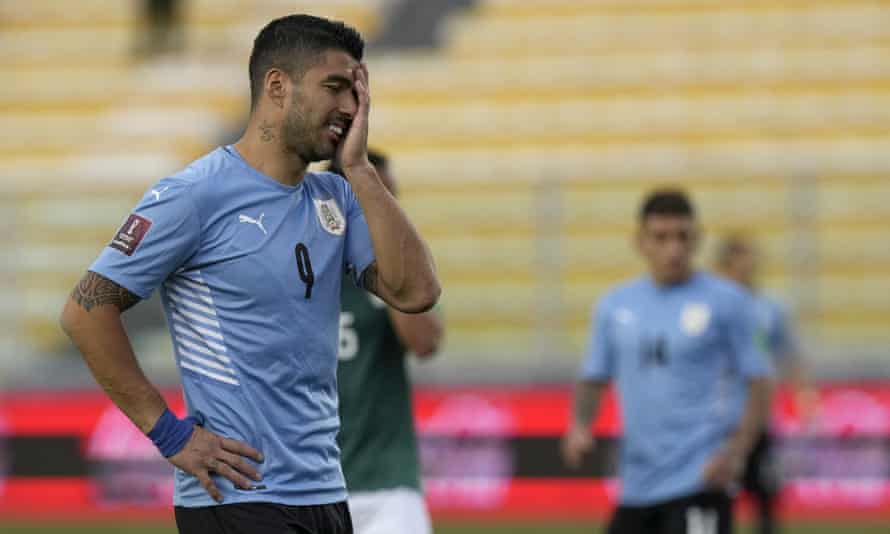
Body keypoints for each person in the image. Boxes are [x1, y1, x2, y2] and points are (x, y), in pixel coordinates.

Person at [59, 14, 440, 534]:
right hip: (238, 499)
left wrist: (361, 171)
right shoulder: (195, 194)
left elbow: (415, 293)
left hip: (327, 492)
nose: (350, 108)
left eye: (356, 92)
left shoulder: (337, 198)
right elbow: (85, 311)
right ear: (277, 86)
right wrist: (170, 435)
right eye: (334, 87)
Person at [561, 189, 773, 534]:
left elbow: (760, 382)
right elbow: (593, 376)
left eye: (682, 237)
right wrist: (580, 425)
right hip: (637, 483)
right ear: (640, 242)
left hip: (700, 480)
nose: (673, 248)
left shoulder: (729, 302)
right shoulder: (615, 306)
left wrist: (736, 453)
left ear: (697, 240)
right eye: (661, 237)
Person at [329, 150, 443, 534]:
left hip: (387, 483)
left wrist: (384, 260)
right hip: (310, 484)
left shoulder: (401, 274)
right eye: (374, 195)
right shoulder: (299, 269)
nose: (387, 207)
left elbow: (424, 342)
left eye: (390, 197)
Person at [717, 235, 815, 534]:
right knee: (716, 504)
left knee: (766, 500)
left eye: (751, 259)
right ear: (725, 266)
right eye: (740, 260)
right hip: (719, 423)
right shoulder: (712, 308)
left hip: (759, 422)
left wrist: (803, 394)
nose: (747, 267)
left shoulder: (771, 308)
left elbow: (790, 354)